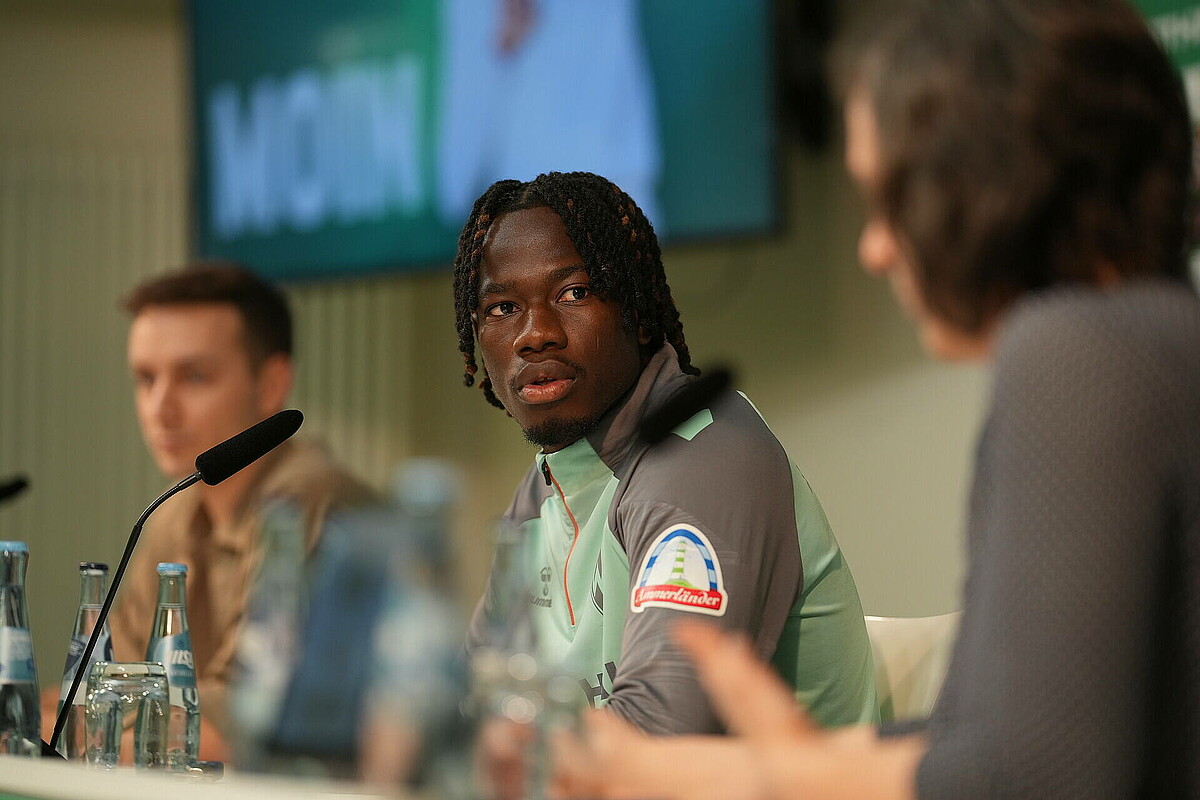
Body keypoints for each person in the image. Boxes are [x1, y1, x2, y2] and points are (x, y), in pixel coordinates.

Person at [549, 1, 1200, 798]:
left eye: (892, 199)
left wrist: (747, 775)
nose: (875, 248)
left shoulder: (1078, 352)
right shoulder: (1153, 345)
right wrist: (770, 765)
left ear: (990, 181)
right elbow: (998, 739)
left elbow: (1031, 777)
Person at [457, 171, 877, 741]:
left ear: (637, 311)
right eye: (503, 307)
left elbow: (660, 735)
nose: (535, 334)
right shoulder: (547, 484)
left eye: (574, 293)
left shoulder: (703, 459)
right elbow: (466, 704)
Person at [107, 262, 375, 761]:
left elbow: (243, 724)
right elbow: (108, 681)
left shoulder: (311, 503)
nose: (160, 409)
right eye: (145, 379)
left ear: (270, 384)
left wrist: (82, 735)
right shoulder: (173, 510)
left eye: (194, 376)